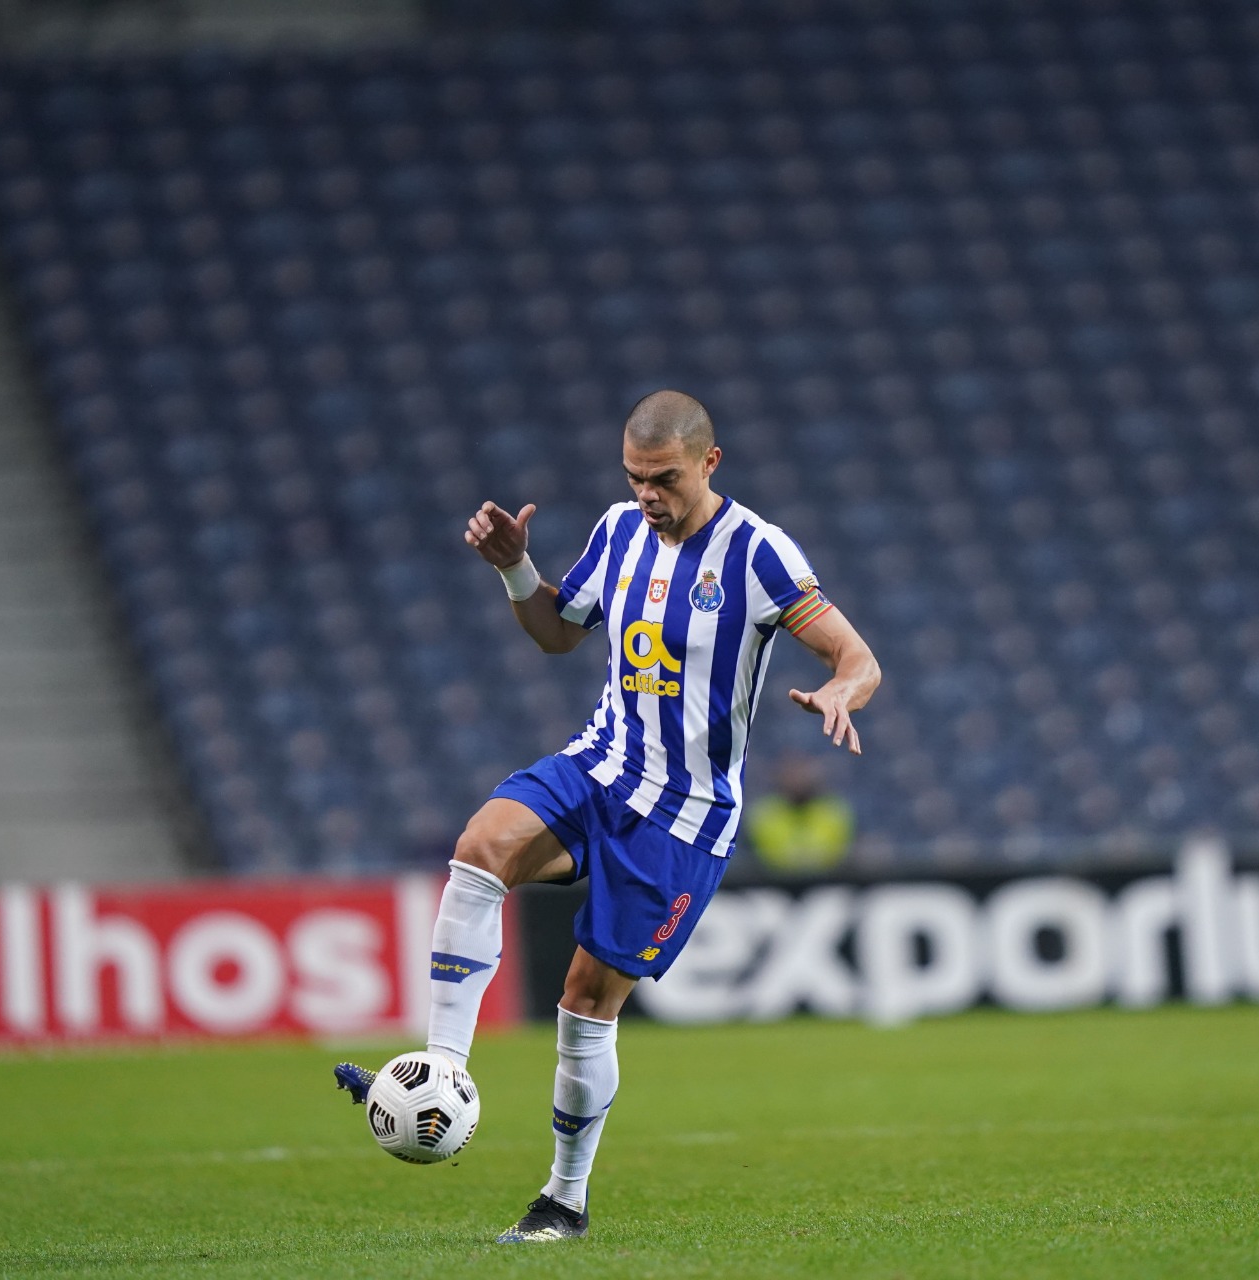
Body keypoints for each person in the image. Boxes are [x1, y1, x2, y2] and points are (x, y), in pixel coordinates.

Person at [333, 389, 880, 1242]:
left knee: (586, 1001)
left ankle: (564, 1200)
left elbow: (856, 653)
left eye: (663, 480)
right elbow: (558, 634)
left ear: (710, 463)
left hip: (684, 815)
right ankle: (441, 1066)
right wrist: (517, 570)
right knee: (479, 847)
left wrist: (844, 688)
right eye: (634, 479)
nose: (647, 497)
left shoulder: (757, 553)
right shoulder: (620, 531)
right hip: (601, 765)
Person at [744, 753, 855, 874]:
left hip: (828, 883)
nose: (797, 780)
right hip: (771, 884)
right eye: (791, 773)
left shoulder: (834, 812)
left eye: (802, 772)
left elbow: (841, 857)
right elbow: (759, 859)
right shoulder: (763, 814)